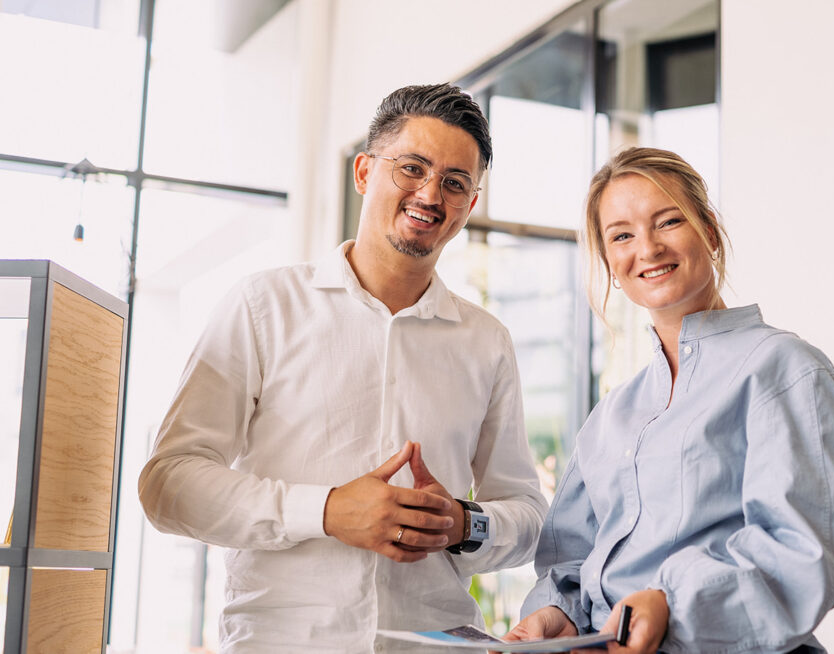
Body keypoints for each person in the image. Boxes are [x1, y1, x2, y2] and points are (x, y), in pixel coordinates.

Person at [138, 83, 547, 653]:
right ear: (364, 172)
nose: (430, 194)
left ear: (469, 205)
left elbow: (528, 515)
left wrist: (462, 523)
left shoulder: (487, 341)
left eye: (455, 183)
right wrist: (326, 511)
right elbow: (169, 485)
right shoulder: (262, 306)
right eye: (412, 168)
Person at [504, 147, 834, 654]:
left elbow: (807, 556)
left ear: (709, 232)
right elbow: (571, 560)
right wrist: (556, 612)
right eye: (622, 235)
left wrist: (670, 605)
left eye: (668, 222)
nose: (647, 249)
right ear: (610, 263)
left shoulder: (784, 370)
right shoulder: (611, 415)